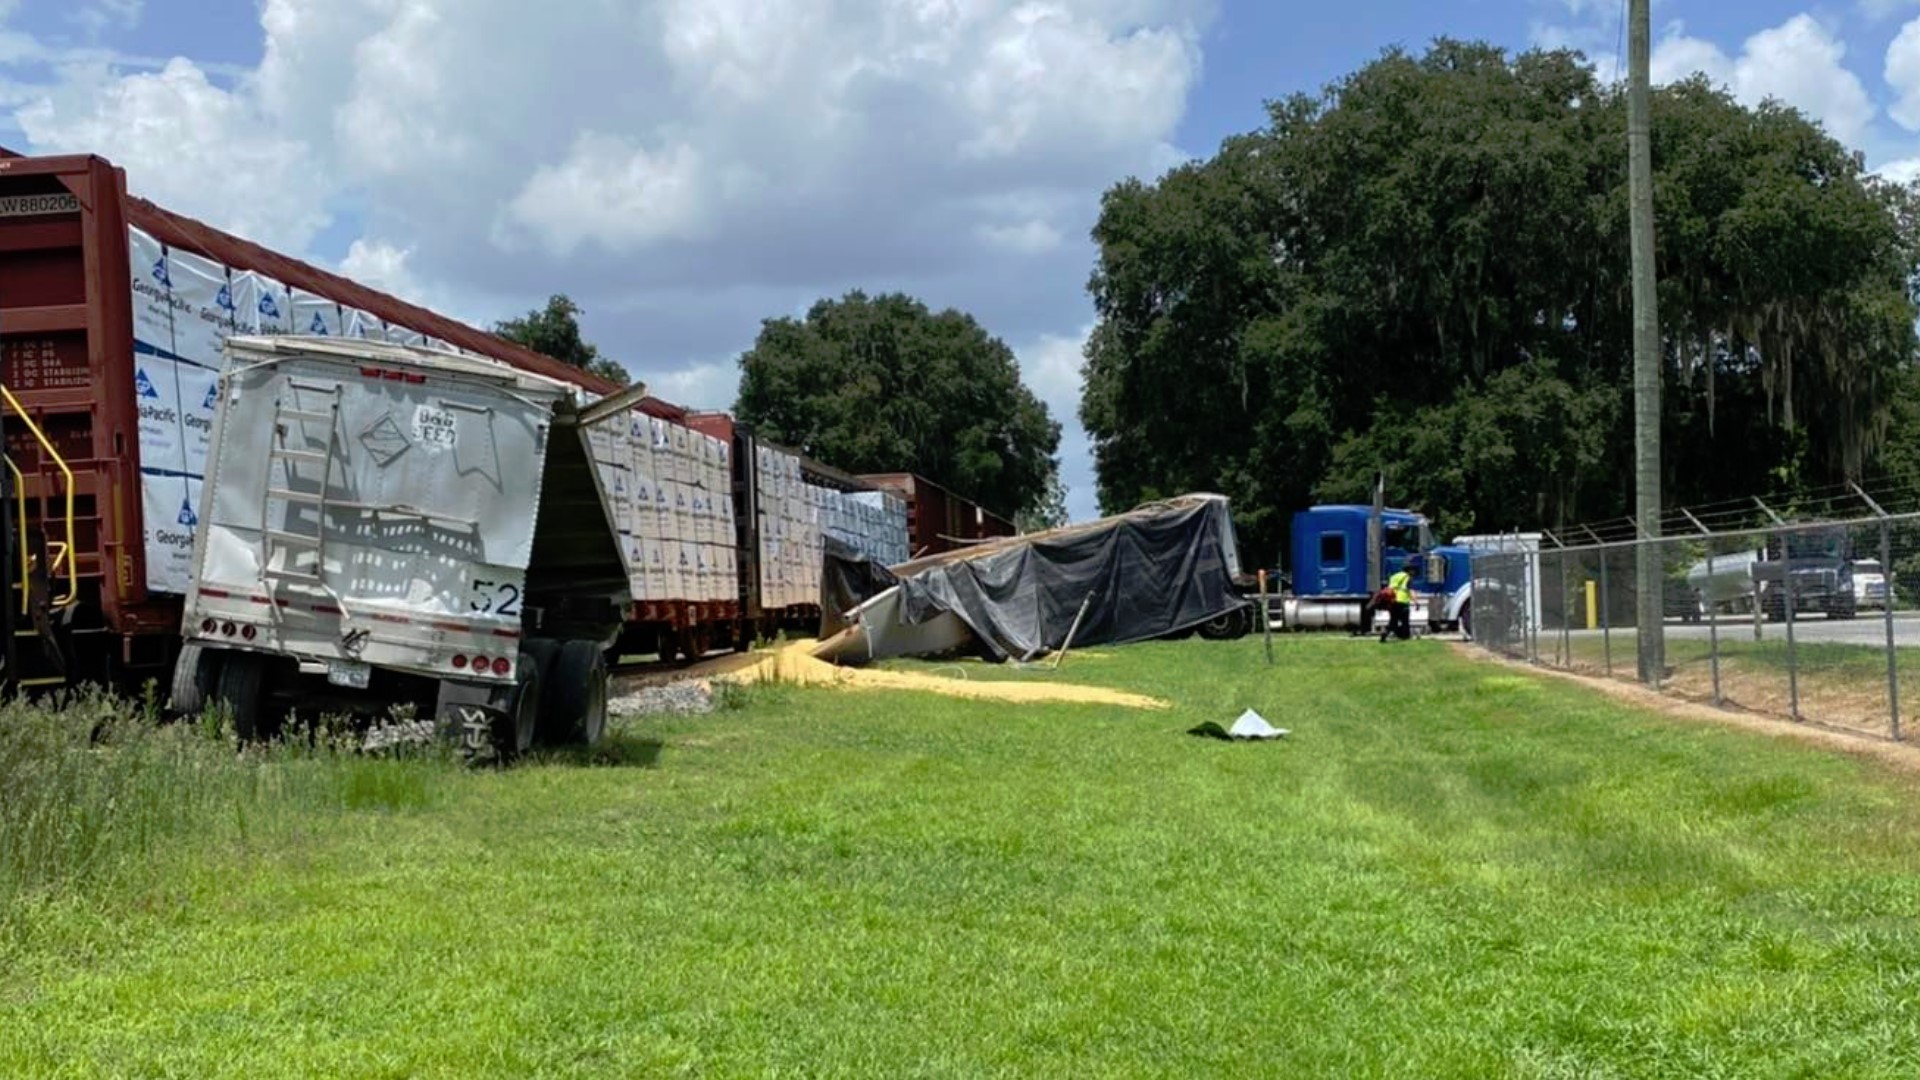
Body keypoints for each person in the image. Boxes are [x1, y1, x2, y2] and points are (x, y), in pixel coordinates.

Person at [1380, 558, 1415, 643]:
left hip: (1392, 600)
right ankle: (1405, 636)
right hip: (1402, 601)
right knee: (1405, 620)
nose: (1413, 572)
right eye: (1412, 570)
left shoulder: (1394, 576)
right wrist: (1415, 601)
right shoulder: (1407, 577)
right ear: (1408, 570)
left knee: (1393, 619)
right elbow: (1409, 590)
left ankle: (1386, 631)